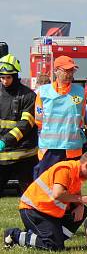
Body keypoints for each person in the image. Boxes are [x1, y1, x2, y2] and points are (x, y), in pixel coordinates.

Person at [4, 151, 87, 251]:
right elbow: (58, 194)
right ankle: (14, 235)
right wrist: (80, 199)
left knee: (82, 210)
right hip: (33, 209)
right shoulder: (65, 169)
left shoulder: (77, 175)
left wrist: (80, 205)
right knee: (53, 246)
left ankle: (48, 236)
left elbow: (74, 195)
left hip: (47, 211)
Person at [33, 55, 87, 178]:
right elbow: (39, 121)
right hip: (50, 148)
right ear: (56, 71)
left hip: (72, 148)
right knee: (46, 185)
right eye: (66, 70)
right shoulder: (43, 93)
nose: (69, 74)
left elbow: (82, 118)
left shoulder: (80, 92)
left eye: (72, 70)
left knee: (71, 185)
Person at [0, 54, 38, 195]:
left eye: (8, 77)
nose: (4, 81)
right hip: (2, 157)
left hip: (24, 156)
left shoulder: (28, 96)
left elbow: (26, 124)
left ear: (15, 76)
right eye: (2, 77)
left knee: (30, 196)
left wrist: (4, 141)